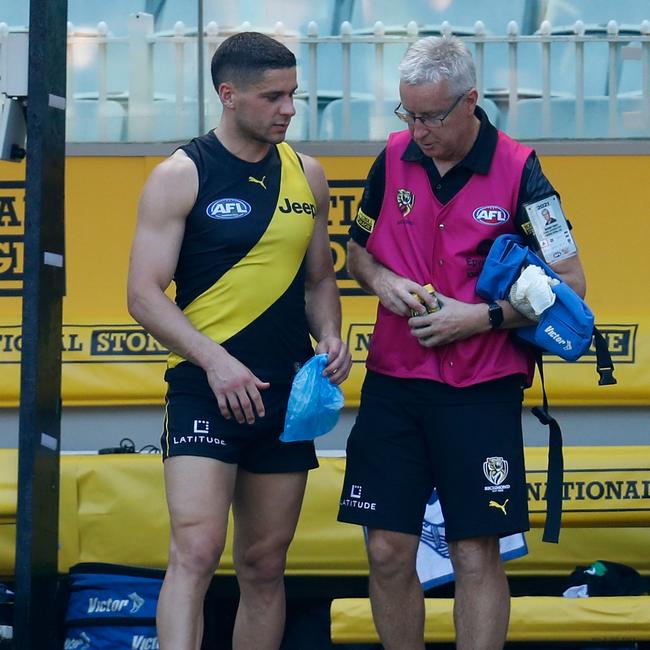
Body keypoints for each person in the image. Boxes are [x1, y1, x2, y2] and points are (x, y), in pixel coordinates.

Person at [337, 36, 586, 650]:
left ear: (470, 101)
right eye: (408, 114)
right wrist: (384, 281)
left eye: (431, 116)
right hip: (395, 383)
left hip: (481, 388)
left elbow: (571, 286)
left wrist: (480, 318)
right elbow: (357, 254)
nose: (417, 130)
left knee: (476, 551)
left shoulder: (522, 169)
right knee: (387, 548)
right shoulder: (392, 156)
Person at [127, 31, 351, 650]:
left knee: (264, 565)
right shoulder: (180, 174)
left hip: (285, 395)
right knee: (195, 552)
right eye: (272, 96)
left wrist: (331, 335)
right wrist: (216, 362)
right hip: (206, 389)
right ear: (228, 95)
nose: (287, 109)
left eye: (293, 96)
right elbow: (143, 294)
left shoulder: (308, 173)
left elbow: (320, 278)